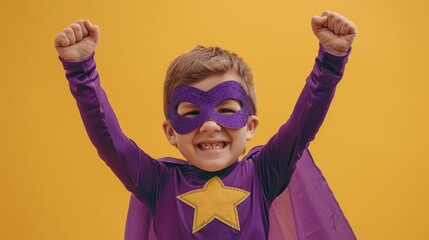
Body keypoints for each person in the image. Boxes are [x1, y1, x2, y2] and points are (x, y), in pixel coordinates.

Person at [55, 11, 357, 240]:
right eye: (191, 112)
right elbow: (112, 142)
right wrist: (81, 71)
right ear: (171, 131)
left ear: (250, 126)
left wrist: (330, 60)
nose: (210, 124)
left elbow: (302, 126)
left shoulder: (263, 173)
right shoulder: (157, 182)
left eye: (227, 109)